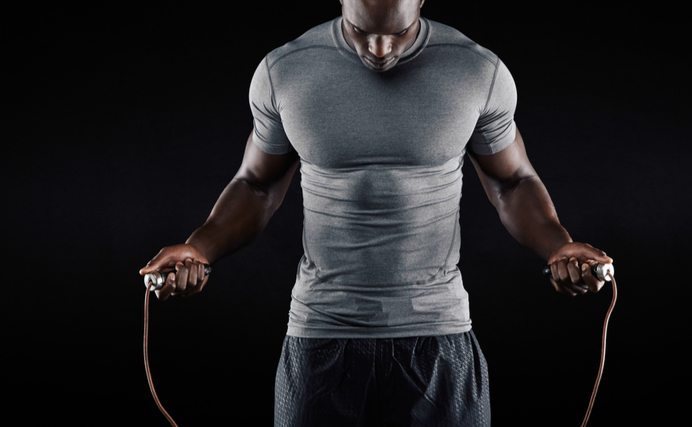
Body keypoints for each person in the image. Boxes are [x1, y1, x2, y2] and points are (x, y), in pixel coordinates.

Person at [140, 0, 612, 425]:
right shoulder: (284, 71)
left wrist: (558, 244)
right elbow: (257, 184)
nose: (381, 50)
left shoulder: (476, 70)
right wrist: (198, 247)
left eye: (398, 34)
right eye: (364, 33)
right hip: (319, 340)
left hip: (438, 337)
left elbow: (512, 181)